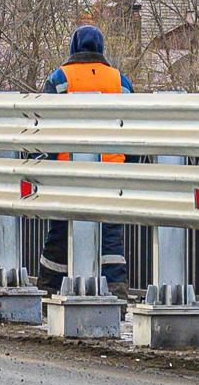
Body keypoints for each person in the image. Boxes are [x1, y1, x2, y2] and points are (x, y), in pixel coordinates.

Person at [40, 25, 131, 280]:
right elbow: (133, 128)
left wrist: (47, 166)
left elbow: (47, 128)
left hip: (67, 174)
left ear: (74, 47)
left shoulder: (60, 78)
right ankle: (115, 291)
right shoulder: (119, 80)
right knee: (110, 237)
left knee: (60, 232)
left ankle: (51, 287)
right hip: (111, 173)